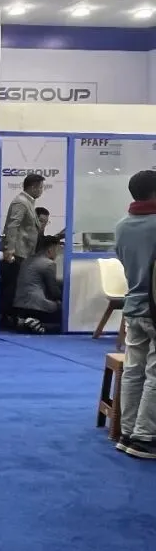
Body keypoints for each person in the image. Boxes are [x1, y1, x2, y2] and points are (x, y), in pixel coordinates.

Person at [114, 170, 156, 459]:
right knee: (154, 373)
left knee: (133, 370)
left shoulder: (122, 226)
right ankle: (145, 436)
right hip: (154, 309)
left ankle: (127, 432)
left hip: (133, 306)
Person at [0, 173, 45, 324]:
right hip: (17, 252)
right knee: (12, 286)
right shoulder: (21, 202)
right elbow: (13, 226)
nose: (41, 191)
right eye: (40, 187)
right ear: (33, 187)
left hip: (25, 252)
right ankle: (6, 317)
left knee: (17, 286)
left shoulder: (29, 202)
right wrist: (10, 249)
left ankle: (12, 316)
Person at [13, 235, 63, 333]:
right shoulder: (48, 264)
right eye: (57, 250)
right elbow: (54, 291)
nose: (58, 254)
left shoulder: (27, 260)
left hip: (19, 304)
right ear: (50, 249)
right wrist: (64, 298)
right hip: (36, 306)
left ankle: (25, 321)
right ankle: (39, 324)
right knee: (62, 307)